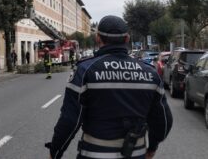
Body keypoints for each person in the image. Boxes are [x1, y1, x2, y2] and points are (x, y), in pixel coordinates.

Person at [46, 15, 173, 159]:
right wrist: (152, 148)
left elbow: (70, 120)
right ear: (127, 39)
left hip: (94, 154)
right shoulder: (150, 73)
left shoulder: (85, 70)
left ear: (98, 38)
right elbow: (163, 119)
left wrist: (55, 152)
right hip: (135, 154)